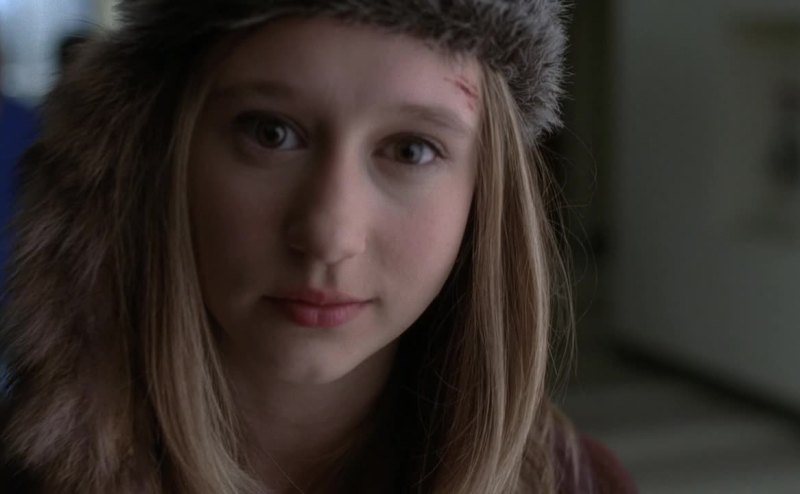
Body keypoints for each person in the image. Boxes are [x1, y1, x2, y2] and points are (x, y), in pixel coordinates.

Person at [0, 1, 636, 493]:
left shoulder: (581, 485)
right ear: (164, 156)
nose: (330, 235)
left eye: (411, 149)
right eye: (270, 133)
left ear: (485, 195)